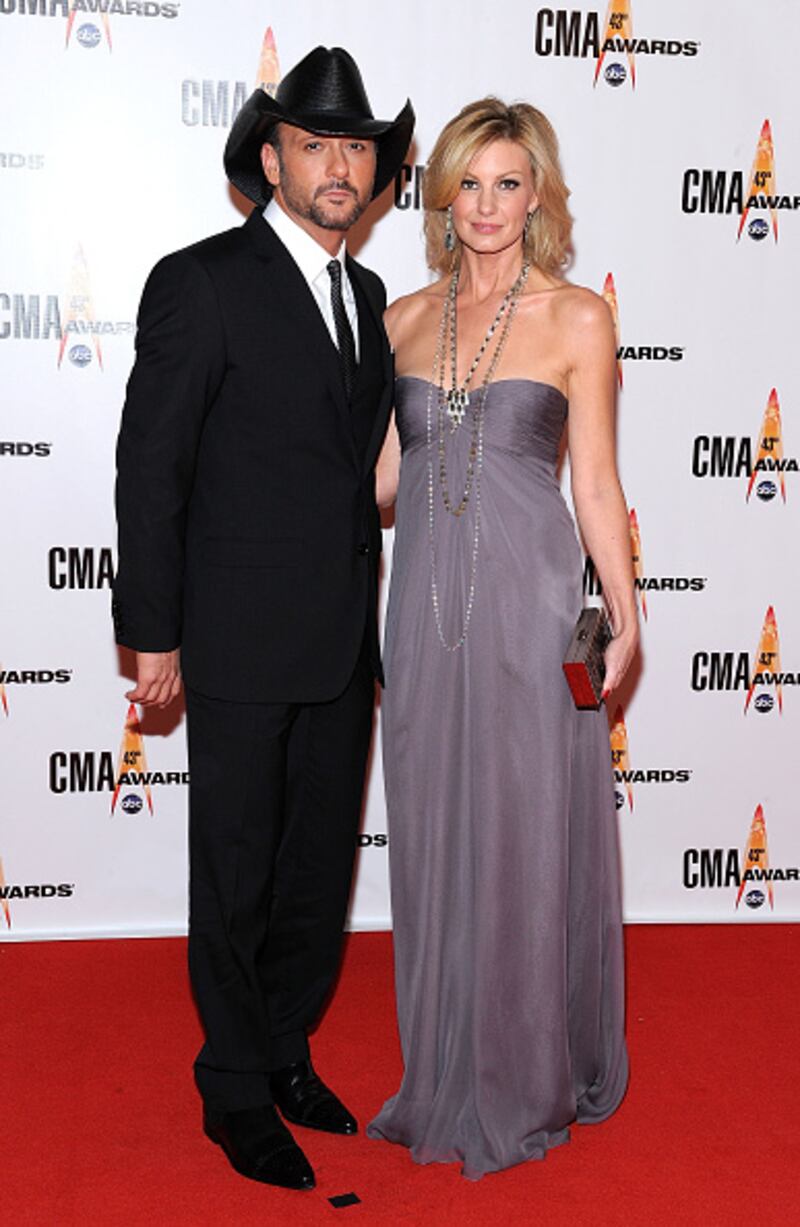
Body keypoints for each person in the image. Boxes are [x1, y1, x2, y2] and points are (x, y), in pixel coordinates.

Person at [112, 47, 414, 1192]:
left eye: (356, 149)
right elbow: (152, 467)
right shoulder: (201, 282)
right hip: (236, 638)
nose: (338, 165)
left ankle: (285, 1050)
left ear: (376, 173)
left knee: (313, 876)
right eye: (313, 143)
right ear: (270, 159)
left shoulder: (368, 298)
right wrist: (153, 633)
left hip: (339, 642)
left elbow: (357, 471)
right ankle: (233, 1088)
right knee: (235, 875)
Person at [366, 98, 638, 1179]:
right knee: (433, 824)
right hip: (423, 608)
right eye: (468, 184)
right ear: (442, 197)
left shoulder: (577, 316)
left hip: (532, 605)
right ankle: (443, 1061)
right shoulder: (401, 319)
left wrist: (623, 608)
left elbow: (597, 482)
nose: (486, 205)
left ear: (537, 197)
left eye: (507, 184)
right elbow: (381, 485)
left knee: (523, 829)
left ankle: (525, 1073)